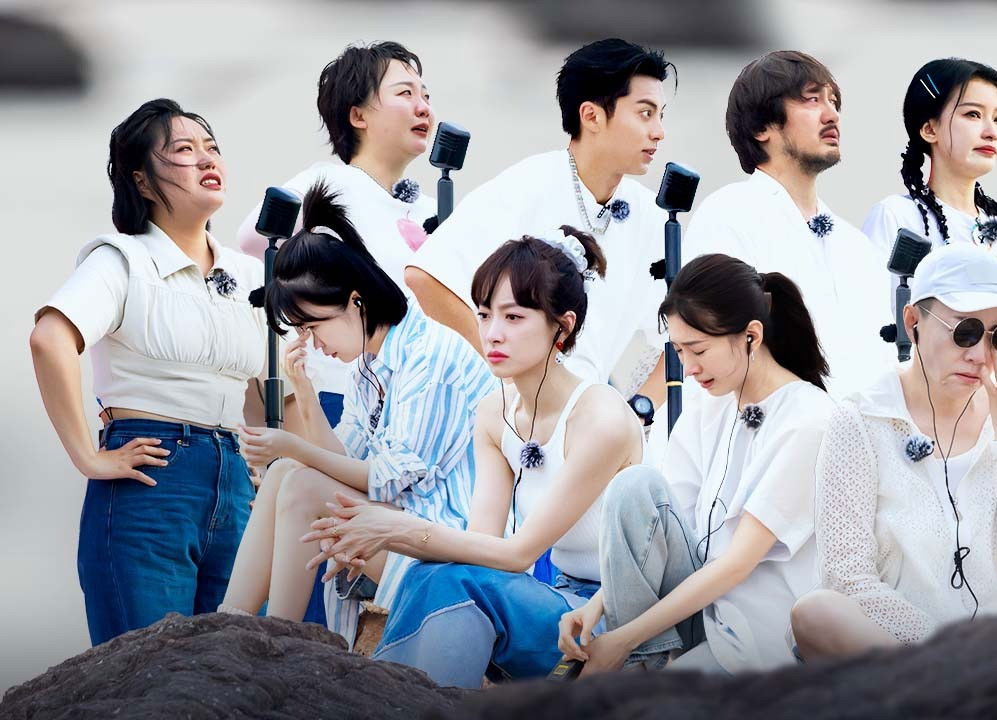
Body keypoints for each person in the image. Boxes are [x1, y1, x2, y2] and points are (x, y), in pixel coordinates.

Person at [301, 227, 645, 687]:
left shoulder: (600, 417)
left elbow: (519, 554)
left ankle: (391, 698)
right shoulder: (494, 412)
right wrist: (380, 534)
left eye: (514, 317)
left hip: (609, 621)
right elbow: (480, 545)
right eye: (484, 314)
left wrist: (394, 529)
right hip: (552, 606)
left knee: (451, 580)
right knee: (438, 572)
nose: (492, 333)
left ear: (562, 326)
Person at [30, 99, 270, 644]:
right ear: (140, 179)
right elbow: (49, 339)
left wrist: (271, 472)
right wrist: (88, 457)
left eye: (211, 148)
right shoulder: (122, 259)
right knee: (150, 668)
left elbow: (270, 390)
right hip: (152, 476)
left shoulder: (250, 274)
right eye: (183, 150)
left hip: (238, 483)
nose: (206, 159)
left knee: (237, 669)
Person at [218, 183, 496, 647]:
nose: (314, 343)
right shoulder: (369, 363)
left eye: (314, 326)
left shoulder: (428, 356)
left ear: (355, 301)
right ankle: (233, 623)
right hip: (399, 529)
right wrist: (305, 394)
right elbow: (344, 461)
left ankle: (272, 641)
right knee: (287, 473)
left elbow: (384, 479)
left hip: (448, 548)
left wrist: (294, 446)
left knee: (298, 479)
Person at [558, 253, 834, 675]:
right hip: (695, 616)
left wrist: (623, 638)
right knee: (634, 486)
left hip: (754, 637)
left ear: (752, 336)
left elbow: (737, 563)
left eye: (698, 350)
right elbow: (660, 527)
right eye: (679, 351)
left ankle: (630, 670)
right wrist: (598, 606)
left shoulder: (810, 420)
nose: (688, 368)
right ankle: (635, 670)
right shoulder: (710, 406)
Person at [790, 243, 997, 659]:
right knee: (816, 611)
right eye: (964, 331)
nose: (979, 355)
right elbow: (847, 577)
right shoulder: (862, 419)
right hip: (907, 659)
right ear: (912, 321)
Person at [405, 38, 672, 404]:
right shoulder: (527, 186)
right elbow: (426, 276)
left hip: (591, 418)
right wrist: (511, 378)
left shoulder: (651, 217)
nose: (658, 131)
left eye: (660, 116)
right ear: (591, 116)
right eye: (645, 113)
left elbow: (682, 333)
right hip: (512, 415)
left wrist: (640, 410)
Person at [237, 40, 436, 428]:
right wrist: (309, 309)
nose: (424, 107)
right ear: (358, 115)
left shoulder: (430, 208)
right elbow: (254, 239)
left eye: (426, 95)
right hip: (345, 393)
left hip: (421, 397)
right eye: (405, 93)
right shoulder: (328, 183)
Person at [684, 51, 893, 399]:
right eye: (811, 99)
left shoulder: (855, 244)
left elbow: (881, 361)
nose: (832, 114)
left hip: (860, 428)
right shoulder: (728, 214)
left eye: (833, 101)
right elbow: (715, 352)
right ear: (761, 127)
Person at [861, 57, 997, 374]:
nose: (991, 132)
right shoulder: (897, 216)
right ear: (929, 128)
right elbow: (876, 332)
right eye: (973, 115)